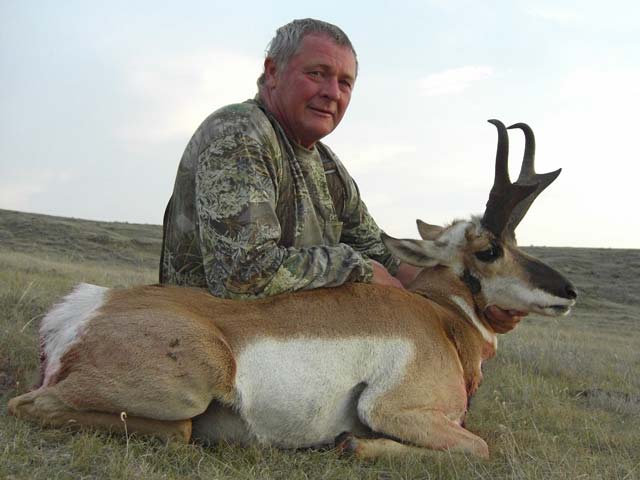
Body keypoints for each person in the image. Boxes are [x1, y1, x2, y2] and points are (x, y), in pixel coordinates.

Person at [158, 18, 523, 330]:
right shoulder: (239, 134)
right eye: (317, 74)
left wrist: (479, 299)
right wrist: (357, 269)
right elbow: (243, 276)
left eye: (345, 83)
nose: (332, 92)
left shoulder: (328, 167)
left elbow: (386, 258)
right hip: (208, 338)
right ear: (273, 72)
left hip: (281, 338)